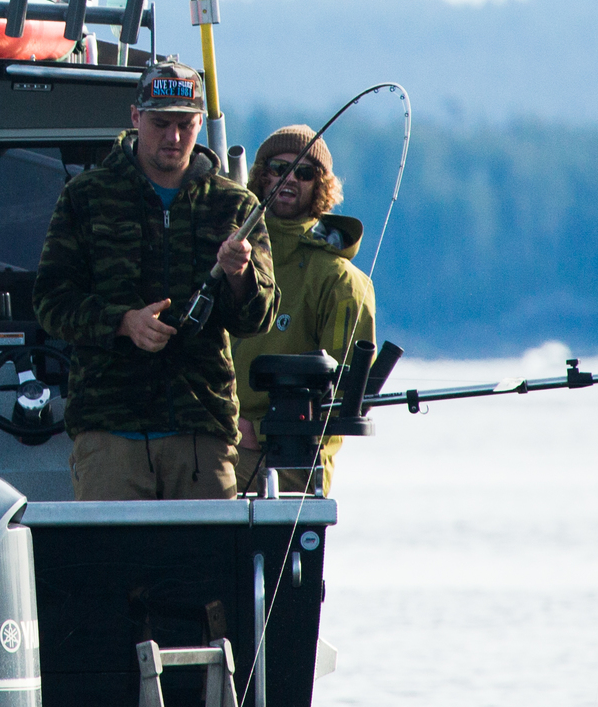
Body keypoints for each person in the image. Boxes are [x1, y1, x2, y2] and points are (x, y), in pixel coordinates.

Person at [31, 60, 274, 500]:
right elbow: (51, 301)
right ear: (135, 118)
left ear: (201, 122)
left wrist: (240, 276)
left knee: (206, 568)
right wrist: (123, 323)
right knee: (115, 567)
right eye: (161, 123)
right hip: (109, 430)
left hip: (202, 429)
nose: (173, 137)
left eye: (185, 124)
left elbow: (257, 319)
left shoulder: (235, 205)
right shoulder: (87, 196)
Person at [229, 125, 379, 496]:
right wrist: (231, 425)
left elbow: (343, 399)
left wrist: (259, 432)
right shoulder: (230, 259)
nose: (289, 179)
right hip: (216, 441)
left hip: (291, 462)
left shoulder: (342, 282)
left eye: (304, 172)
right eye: (278, 168)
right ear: (261, 175)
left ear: (321, 185)